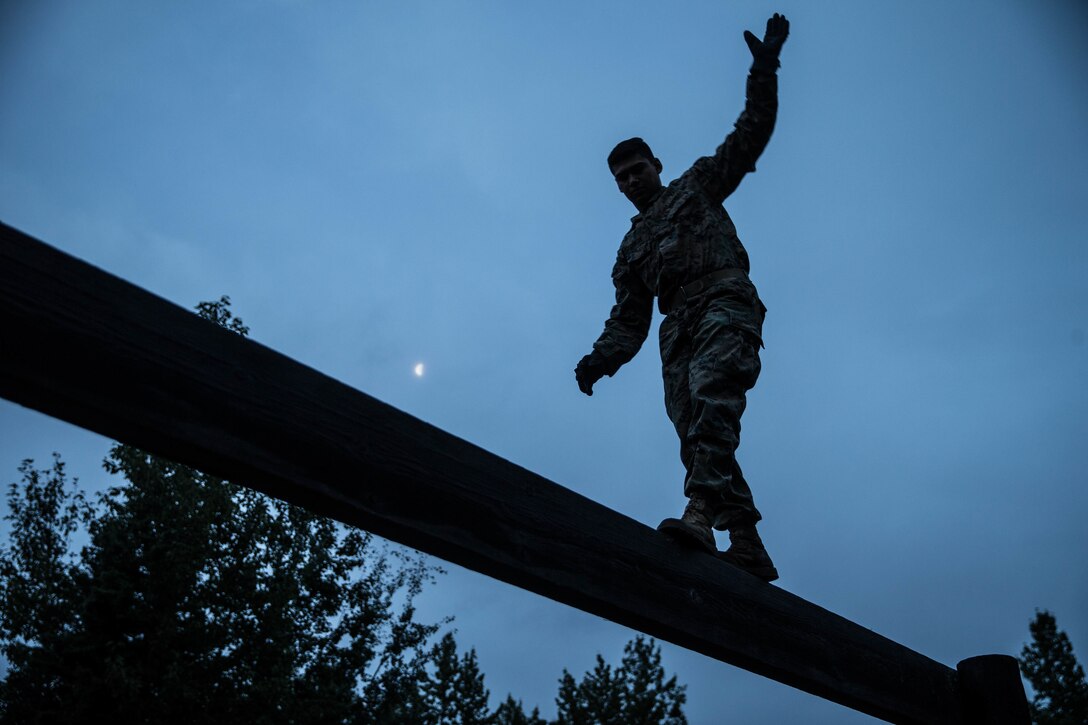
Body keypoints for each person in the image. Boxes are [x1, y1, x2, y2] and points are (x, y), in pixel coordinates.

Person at [575, 13, 789, 582]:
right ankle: (745, 540)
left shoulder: (696, 184)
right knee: (693, 429)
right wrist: (600, 359)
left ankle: (700, 513)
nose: (630, 181)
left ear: (657, 165)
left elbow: (750, 132)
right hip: (676, 330)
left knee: (714, 398)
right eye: (620, 177)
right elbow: (628, 319)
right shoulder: (630, 247)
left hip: (723, 298)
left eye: (636, 169)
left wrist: (764, 68)